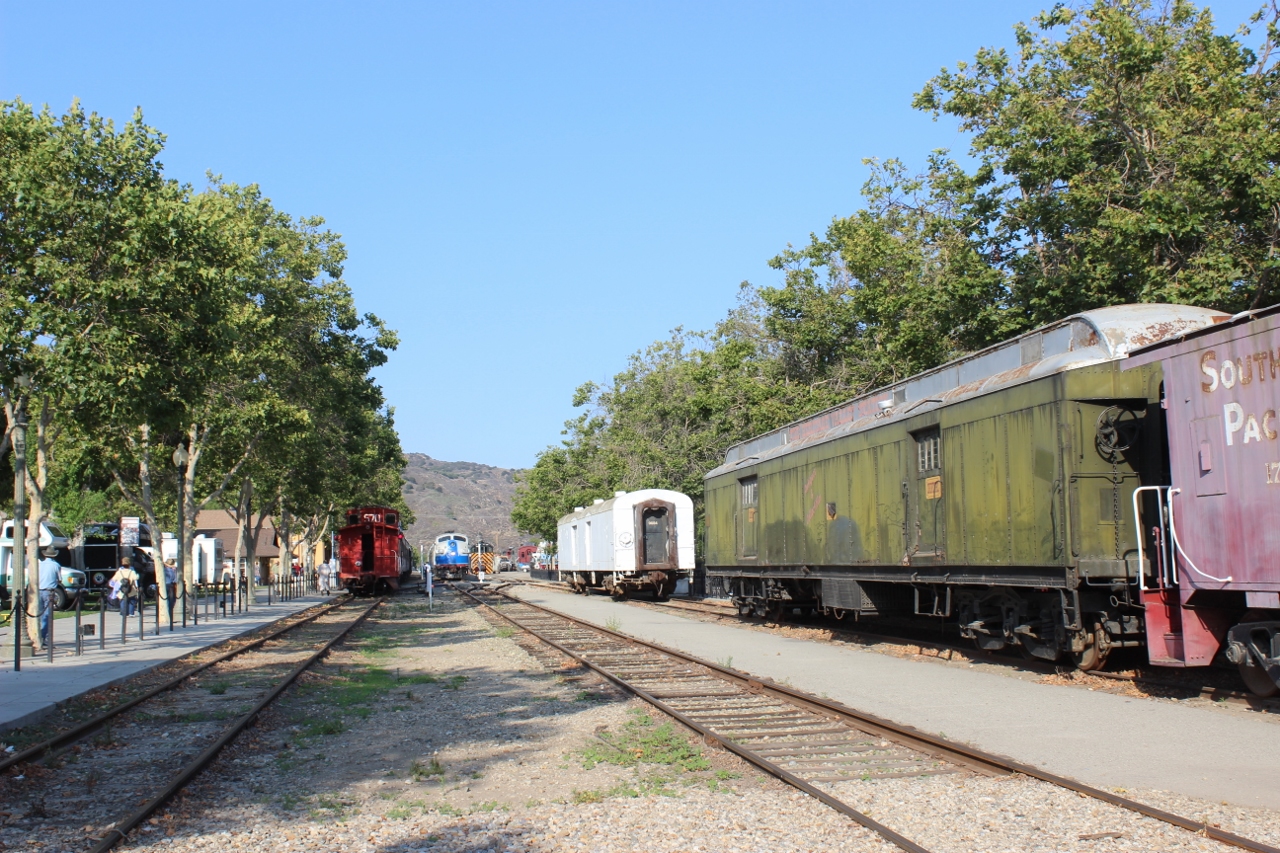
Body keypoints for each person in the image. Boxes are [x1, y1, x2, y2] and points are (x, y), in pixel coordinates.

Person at [37, 546, 61, 649]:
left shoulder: (39, 565)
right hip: (49, 591)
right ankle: (44, 638)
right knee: (47, 616)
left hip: (38, 591)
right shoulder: (56, 565)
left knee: (40, 615)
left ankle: (39, 637)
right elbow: (59, 579)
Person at [162, 558, 179, 623]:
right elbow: (173, 578)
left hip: (170, 585)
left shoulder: (172, 569)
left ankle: (169, 615)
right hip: (169, 585)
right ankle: (169, 615)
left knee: (171, 600)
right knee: (170, 601)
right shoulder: (168, 570)